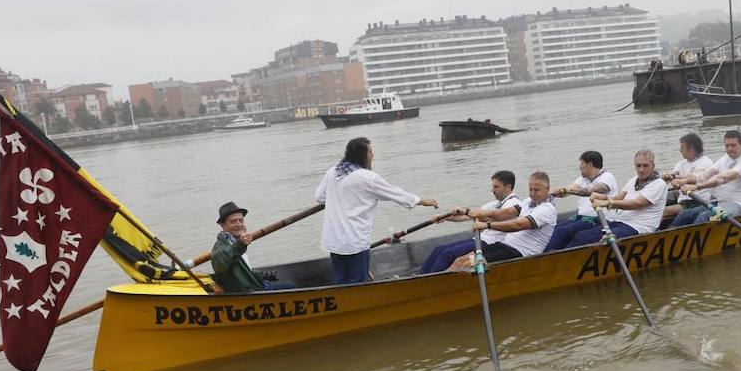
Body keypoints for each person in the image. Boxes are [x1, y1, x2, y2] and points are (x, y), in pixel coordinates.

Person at [314, 136, 439, 285]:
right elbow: (394, 193)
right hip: (354, 241)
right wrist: (421, 200)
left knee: (341, 281)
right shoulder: (367, 178)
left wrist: (339, 198)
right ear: (362, 155)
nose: (373, 155)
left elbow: (320, 197)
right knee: (358, 284)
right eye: (370, 151)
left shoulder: (333, 172)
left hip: (334, 241)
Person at [418, 170, 521, 274]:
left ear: (508, 187)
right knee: (438, 249)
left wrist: (466, 211)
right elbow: (467, 216)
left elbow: (495, 217)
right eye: (493, 186)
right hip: (480, 239)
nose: (492, 190)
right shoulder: (495, 204)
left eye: (496, 187)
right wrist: (444, 217)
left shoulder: (514, 204)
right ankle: (419, 277)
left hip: (492, 244)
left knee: (447, 254)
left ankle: (428, 283)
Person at [451, 171, 557, 266]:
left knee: (468, 264)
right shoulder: (528, 201)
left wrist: (487, 225)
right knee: (460, 261)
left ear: (547, 189)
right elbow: (503, 213)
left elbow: (517, 225)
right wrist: (468, 212)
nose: (533, 193)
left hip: (520, 253)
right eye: (530, 189)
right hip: (505, 245)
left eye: (537, 190)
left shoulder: (547, 209)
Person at [568, 150, 669, 245]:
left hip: (639, 228)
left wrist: (609, 203)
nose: (641, 169)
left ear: (653, 166)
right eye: (638, 166)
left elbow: (637, 203)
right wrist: (602, 197)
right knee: (581, 236)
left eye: (645, 166)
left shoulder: (658, 184)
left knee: (598, 239)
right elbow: (618, 198)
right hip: (620, 222)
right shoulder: (633, 180)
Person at [671, 129, 741, 225]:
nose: (730, 149)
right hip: (721, 202)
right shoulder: (725, 159)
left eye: (733, 145)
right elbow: (705, 175)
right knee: (685, 214)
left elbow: (723, 178)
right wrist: (684, 180)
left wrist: (697, 187)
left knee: (704, 216)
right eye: (727, 146)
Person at [210, 201, 298, 292]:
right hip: (249, 292)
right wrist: (241, 244)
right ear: (223, 225)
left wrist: (260, 275)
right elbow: (223, 262)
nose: (239, 224)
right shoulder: (221, 247)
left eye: (241, 220)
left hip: (255, 285)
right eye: (233, 222)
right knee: (291, 286)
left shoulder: (234, 241)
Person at [544, 151, 617, 251]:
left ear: (590, 164)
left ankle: (547, 257)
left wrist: (568, 190)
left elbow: (592, 191)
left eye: (582, 163)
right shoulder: (582, 179)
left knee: (562, 232)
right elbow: (568, 189)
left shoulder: (607, 177)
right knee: (554, 229)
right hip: (581, 217)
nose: (579, 167)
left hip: (599, 219)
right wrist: (551, 193)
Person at [662, 132, 713, 220]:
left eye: (682, 147)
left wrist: (675, 178)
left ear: (691, 148)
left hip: (697, 201)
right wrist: (667, 176)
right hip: (683, 199)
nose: (680, 150)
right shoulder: (682, 163)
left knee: (664, 211)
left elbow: (690, 178)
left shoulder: (705, 162)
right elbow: (673, 174)